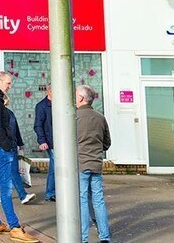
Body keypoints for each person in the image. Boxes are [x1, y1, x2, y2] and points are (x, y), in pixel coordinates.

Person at [0, 71, 39, 242]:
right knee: (5, 189)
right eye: (8, 83)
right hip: (0, 149)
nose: (10, 86)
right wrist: (7, 146)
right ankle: (15, 228)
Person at [76, 85, 112, 243]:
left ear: (81, 98)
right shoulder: (100, 117)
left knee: (82, 199)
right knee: (98, 200)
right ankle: (104, 237)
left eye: (76, 95)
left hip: (80, 164)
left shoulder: (74, 117)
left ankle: (83, 238)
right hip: (96, 163)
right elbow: (107, 143)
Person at [5, 95, 36, 205]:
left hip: (11, 146)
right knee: (9, 172)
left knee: (11, 172)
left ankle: (22, 195)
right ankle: (22, 195)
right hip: (5, 147)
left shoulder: (9, 113)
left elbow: (15, 129)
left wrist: (20, 143)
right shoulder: (3, 114)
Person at [34, 84, 55, 202]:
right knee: (55, 167)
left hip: (59, 141)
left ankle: (53, 192)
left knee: (56, 167)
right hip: (51, 141)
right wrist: (42, 140)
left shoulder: (61, 103)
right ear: (50, 91)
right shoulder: (42, 106)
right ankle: (50, 193)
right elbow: (38, 125)